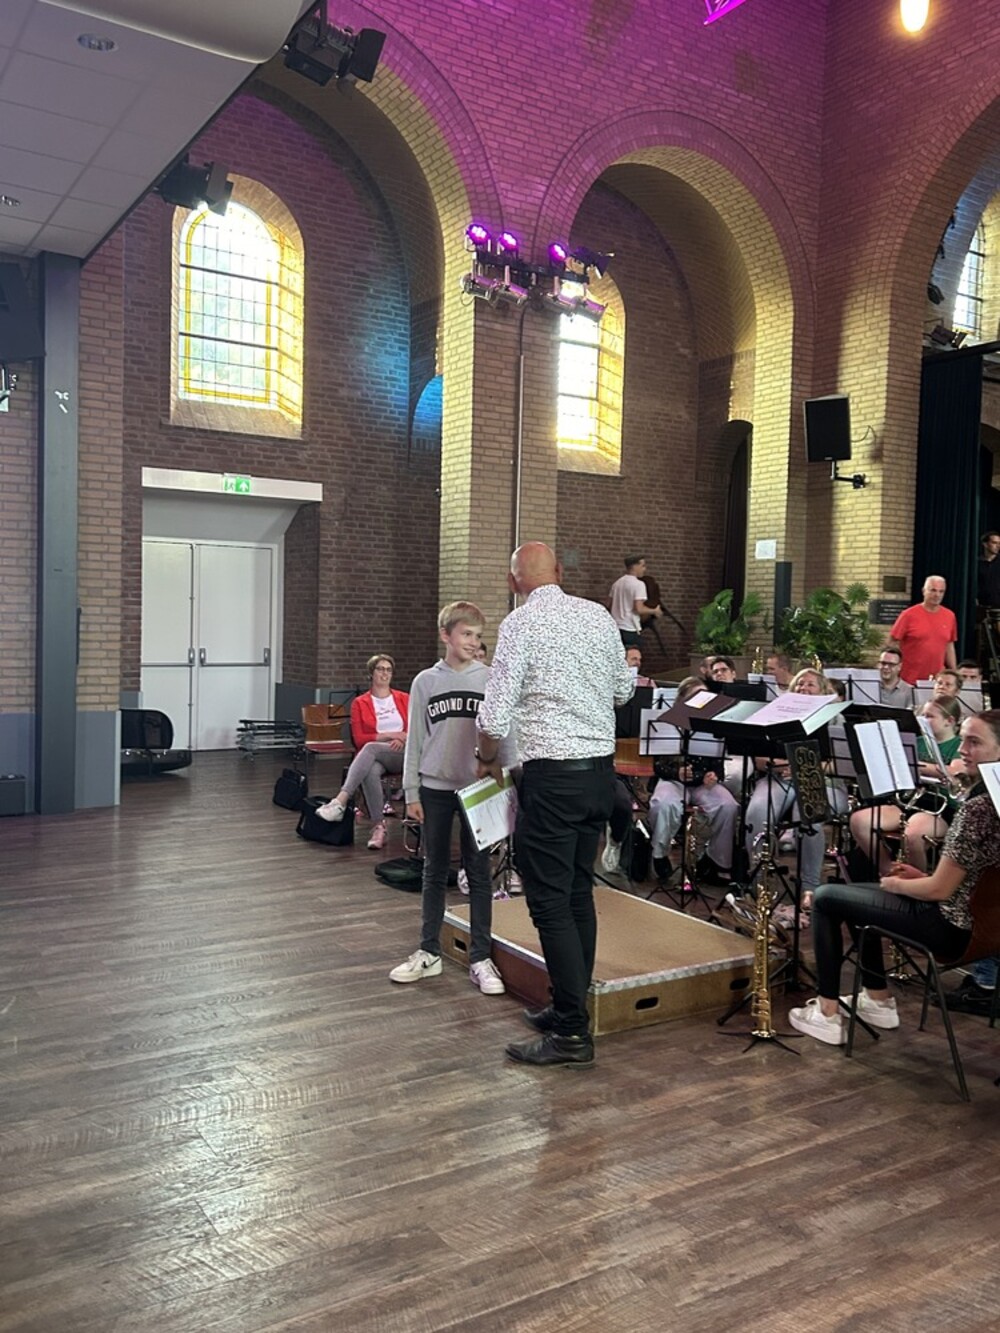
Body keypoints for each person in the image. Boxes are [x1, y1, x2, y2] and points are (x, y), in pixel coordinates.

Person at [477, 541, 634, 1068]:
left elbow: (494, 716)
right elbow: (623, 692)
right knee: (577, 894)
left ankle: (570, 1033)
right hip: (600, 778)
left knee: (549, 904)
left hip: (553, 780)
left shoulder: (520, 624)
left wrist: (485, 757)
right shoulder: (597, 617)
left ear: (513, 581)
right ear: (560, 572)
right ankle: (570, 1005)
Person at [789, 710, 1000, 1045]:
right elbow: (971, 876)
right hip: (986, 933)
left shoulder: (978, 809)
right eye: (962, 740)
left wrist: (894, 883)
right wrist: (921, 876)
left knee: (828, 897)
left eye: (974, 742)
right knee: (856, 898)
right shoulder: (992, 802)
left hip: (950, 929)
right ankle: (877, 998)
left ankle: (827, 1013)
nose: (962, 750)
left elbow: (938, 890)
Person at [388, 602, 509, 996]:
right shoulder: (425, 682)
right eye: (465, 634)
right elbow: (415, 741)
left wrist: (506, 786)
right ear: (446, 635)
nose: (473, 642)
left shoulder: (490, 679)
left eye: (478, 636)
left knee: (479, 872)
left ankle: (480, 957)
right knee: (434, 869)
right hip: (435, 787)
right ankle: (429, 951)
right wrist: (411, 791)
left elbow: (503, 734)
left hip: (479, 791)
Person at [743, 668, 848, 903]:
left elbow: (839, 763)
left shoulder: (835, 718)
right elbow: (758, 759)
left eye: (810, 684)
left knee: (808, 813)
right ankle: (759, 878)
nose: (803, 688)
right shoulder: (776, 714)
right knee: (757, 811)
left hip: (822, 782)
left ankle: (809, 887)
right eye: (800, 684)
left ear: (823, 691)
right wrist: (781, 765)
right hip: (780, 777)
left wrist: (804, 767)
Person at [848, 694, 964, 875]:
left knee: (913, 834)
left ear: (949, 721)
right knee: (859, 821)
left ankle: (917, 883)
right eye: (922, 715)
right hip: (909, 801)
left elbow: (955, 771)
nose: (923, 720)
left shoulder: (958, 745)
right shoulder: (916, 742)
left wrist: (914, 766)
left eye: (930, 716)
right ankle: (887, 870)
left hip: (941, 808)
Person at [648, 675, 738, 885]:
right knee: (664, 803)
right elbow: (658, 765)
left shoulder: (714, 723)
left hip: (702, 783)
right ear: (682, 700)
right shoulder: (666, 722)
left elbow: (718, 763)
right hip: (673, 780)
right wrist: (677, 773)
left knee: (728, 806)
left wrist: (714, 775)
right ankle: (660, 852)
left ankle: (716, 860)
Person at [316, 654, 409, 850]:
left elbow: (415, 729)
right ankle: (379, 827)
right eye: (380, 669)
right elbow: (359, 739)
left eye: (388, 670)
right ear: (371, 673)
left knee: (370, 748)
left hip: (404, 752)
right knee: (370, 769)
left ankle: (340, 801)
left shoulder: (404, 698)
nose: (385, 673)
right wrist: (391, 734)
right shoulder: (360, 702)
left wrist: (402, 738)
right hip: (379, 755)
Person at [889, 576, 957, 685]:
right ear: (924, 591)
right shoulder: (908, 615)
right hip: (908, 679)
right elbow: (892, 643)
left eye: (941, 591)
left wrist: (954, 672)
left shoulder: (949, 616)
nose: (937, 595)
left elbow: (949, 645)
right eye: (933, 590)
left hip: (937, 681)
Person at [609, 554, 662, 648]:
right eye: (642, 566)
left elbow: (610, 605)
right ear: (634, 566)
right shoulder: (639, 585)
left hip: (616, 628)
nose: (644, 569)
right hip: (630, 628)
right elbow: (639, 608)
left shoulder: (617, 584)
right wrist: (654, 611)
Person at [976, 531, 1000, 609]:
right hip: (982, 606)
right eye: (994, 543)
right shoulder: (977, 563)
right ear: (985, 544)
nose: (998, 546)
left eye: (999, 543)